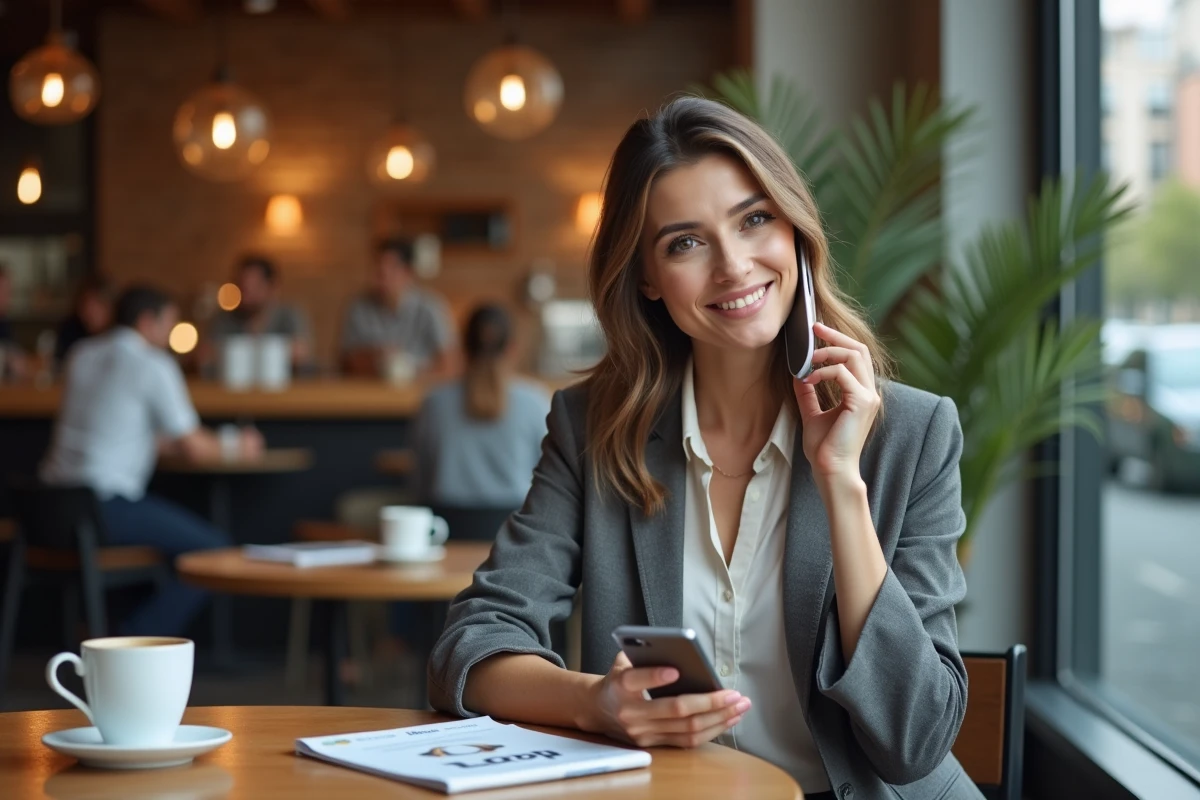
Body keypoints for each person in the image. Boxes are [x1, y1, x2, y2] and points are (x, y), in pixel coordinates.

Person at [428, 98, 982, 800]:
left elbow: (916, 741)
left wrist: (841, 480)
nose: (733, 266)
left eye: (755, 219)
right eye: (685, 242)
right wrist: (595, 703)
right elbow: (469, 648)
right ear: (648, 279)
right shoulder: (593, 430)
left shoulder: (913, 434)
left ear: (795, 232)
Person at [41, 284, 264, 637]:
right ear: (148, 321)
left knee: (170, 550)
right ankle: (131, 642)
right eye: (168, 325)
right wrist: (240, 445)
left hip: (45, 508)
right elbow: (195, 447)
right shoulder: (151, 364)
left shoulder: (81, 354)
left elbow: (117, 430)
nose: (168, 336)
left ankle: (115, 635)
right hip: (102, 509)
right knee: (213, 552)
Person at [413, 304, 550, 508]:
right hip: (517, 532)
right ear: (513, 348)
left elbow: (419, 478)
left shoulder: (434, 402)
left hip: (447, 529)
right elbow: (549, 480)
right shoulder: (535, 401)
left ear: (463, 347)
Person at [339, 238, 459, 380]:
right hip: (370, 394)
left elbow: (451, 366)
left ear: (408, 272)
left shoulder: (431, 308)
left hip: (420, 395)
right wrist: (375, 356)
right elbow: (344, 363)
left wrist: (411, 374)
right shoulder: (359, 307)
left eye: (392, 268)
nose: (383, 275)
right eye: (379, 268)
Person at [199, 254, 314, 373]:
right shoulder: (223, 319)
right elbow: (205, 355)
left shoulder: (289, 316)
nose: (247, 295)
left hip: (285, 390)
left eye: (255, 287)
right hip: (231, 390)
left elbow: (302, 353)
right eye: (243, 287)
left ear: (272, 287)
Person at [55, 273, 116, 366]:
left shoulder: (120, 335)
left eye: (97, 306)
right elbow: (58, 362)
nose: (89, 313)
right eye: (85, 306)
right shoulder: (71, 330)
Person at [0, 264, 29, 382]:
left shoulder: (4, 322)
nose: (8, 297)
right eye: (4, 291)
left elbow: (17, 356)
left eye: (9, 291)